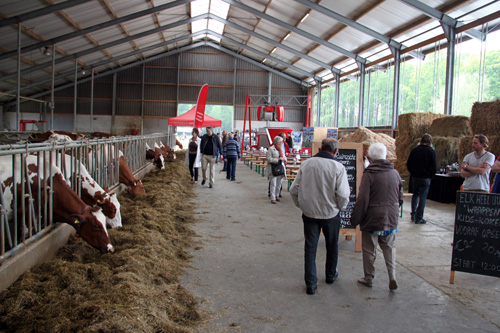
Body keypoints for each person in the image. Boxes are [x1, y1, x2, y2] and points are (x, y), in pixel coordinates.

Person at [290, 138, 350, 295]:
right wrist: (339, 208)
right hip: (330, 214)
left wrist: (301, 205)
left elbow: (293, 189)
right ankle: (330, 275)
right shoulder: (338, 167)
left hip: (309, 213)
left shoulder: (307, 164)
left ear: (321, 148)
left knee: (310, 247)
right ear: (336, 151)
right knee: (332, 245)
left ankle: (311, 283)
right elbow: (343, 194)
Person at [351, 143, 403, 291]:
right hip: (390, 219)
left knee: (369, 249)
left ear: (370, 157)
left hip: (372, 218)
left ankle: (368, 278)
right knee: (389, 247)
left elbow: (363, 199)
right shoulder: (395, 173)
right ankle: (392, 275)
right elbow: (400, 198)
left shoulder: (370, 174)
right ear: (386, 155)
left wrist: (356, 219)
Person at [406, 134, 437, 224]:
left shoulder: (415, 150)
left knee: (415, 195)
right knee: (423, 197)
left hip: (415, 177)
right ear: (430, 142)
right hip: (426, 178)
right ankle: (419, 217)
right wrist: (430, 176)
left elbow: (408, 164)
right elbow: (434, 167)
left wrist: (413, 172)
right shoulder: (432, 152)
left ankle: (413, 214)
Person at [266, 136, 287, 204]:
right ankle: (273, 197)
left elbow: (284, 157)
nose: (282, 143)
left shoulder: (281, 149)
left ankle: (277, 195)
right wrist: (278, 159)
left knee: (279, 183)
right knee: (273, 183)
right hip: (273, 168)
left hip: (281, 167)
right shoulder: (271, 149)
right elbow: (269, 159)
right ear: (278, 142)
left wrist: (284, 159)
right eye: (281, 142)